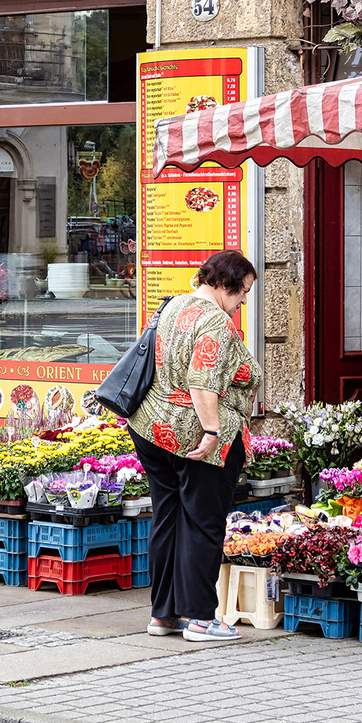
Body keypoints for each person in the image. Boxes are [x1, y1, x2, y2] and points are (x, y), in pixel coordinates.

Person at [127, 249, 262, 643]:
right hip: (193, 434)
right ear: (225, 285)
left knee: (168, 518)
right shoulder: (215, 322)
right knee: (203, 524)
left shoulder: (173, 304)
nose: (242, 302)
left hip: (152, 428)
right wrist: (212, 432)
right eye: (242, 292)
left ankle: (163, 615)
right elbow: (203, 382)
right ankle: (201, 619)